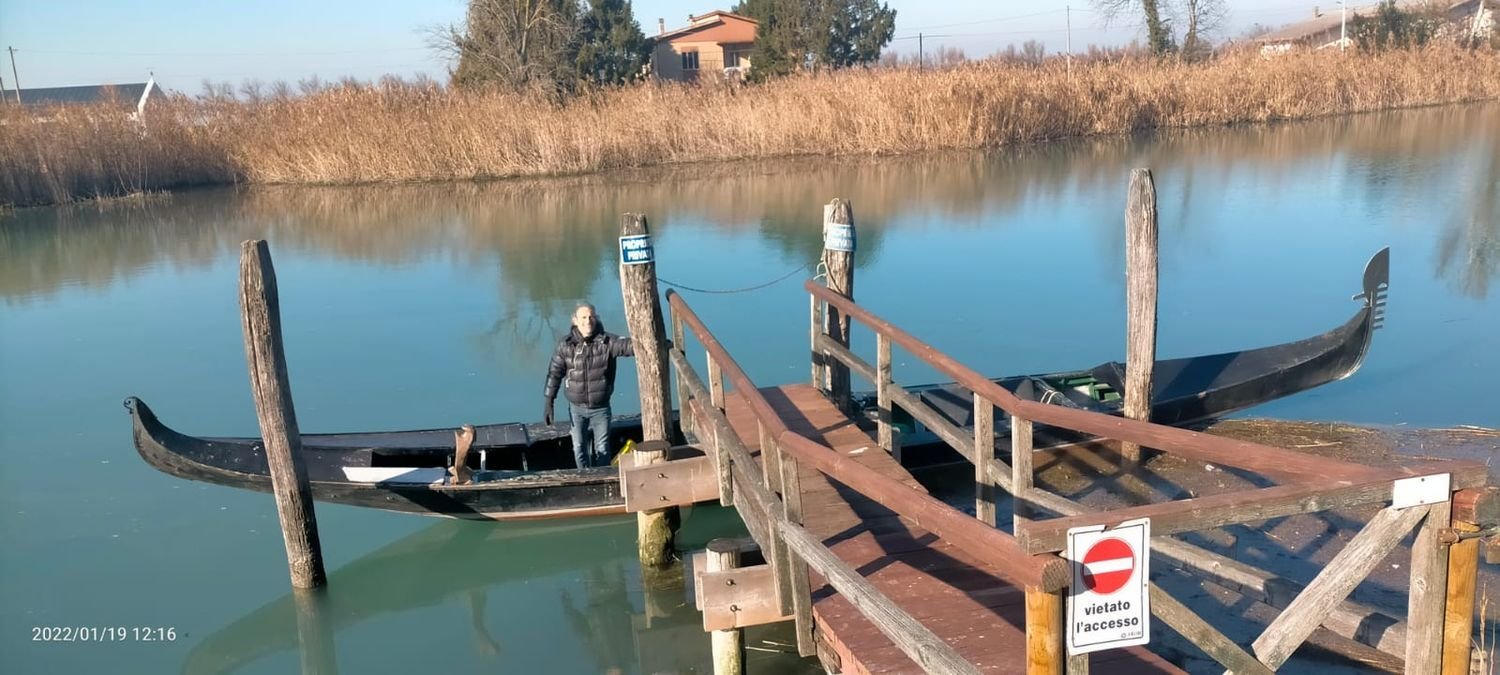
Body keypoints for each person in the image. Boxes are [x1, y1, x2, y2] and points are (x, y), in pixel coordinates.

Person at [544, 303, 634, 469]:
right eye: (584, 317)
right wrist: (549, 401)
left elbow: (629, 346)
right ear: (575, 320)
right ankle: (584, 476)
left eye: (591, 317)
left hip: (601, 407)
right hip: (576, 408)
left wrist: (658, 342)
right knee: (578, 448)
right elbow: (554, 373)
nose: (588, 321)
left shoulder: (607, 342)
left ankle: (602, 478)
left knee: (602, 449)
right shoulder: (565, 345)